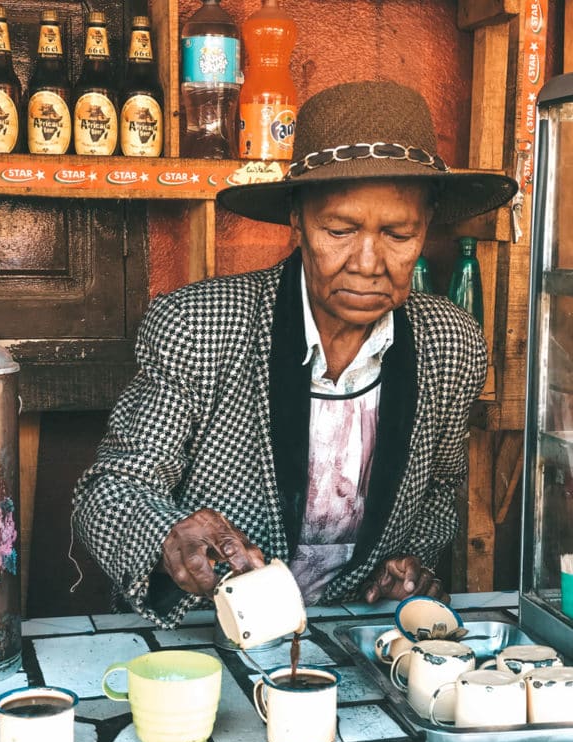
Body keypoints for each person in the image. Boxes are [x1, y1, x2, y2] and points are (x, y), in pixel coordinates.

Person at [71, 81, 517, 628]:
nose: (369, 261)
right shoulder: (199, 325)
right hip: (208, 635)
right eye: (340, 229)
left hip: (356, 640)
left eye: (399, 234)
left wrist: (411, 563)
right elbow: (113, 488)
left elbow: (439, 492)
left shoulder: (450, 344)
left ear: (426, 229)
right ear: (298, 222)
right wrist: (169, 533)